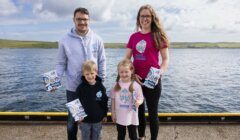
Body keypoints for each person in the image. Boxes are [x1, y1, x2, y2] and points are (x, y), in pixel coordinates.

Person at [56, 7, 106, 140]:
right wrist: (56, 79)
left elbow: (102, 61)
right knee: (73, 121)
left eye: (85, 19)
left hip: (93, 87)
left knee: (93, 118)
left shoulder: (97, 39)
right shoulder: (64, 40)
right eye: (79, 19)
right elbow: (61, 63)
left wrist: (102, 81)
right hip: (73, 89)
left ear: (89, 20)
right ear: (74, 20)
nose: (82, 22)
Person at [125, 4, 169, 140]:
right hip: (137, 80)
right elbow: (126, 59)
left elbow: (166, 59)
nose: (145, 18)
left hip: (153, 81)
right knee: (139, 111)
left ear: (152, 18)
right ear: (138, 19)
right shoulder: (133, 37)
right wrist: (132, 74)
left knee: (153, 113)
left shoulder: (158, 36)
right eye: (142, 16)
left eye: (147, 16)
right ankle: (142, 137)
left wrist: (158, 73)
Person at [110, 59, 144, 140]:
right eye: (121, 72)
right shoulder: (115, 85)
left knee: (133, 135)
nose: (124, 74)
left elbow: (141, 98)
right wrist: (113, 113)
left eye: (126, 72)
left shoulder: (136, 85)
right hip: (119, 115)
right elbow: (113, 100)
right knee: (121, 135)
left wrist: (138, 102)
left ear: (131, 71)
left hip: (132, 115)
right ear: (118, 72)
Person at [76, 60, 108, 140]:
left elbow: (104, 101)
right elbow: (76, 102)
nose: (90, 76)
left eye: (92, 73)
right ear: (83, 74)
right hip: (84, 120)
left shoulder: (101, 87)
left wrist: (105, 114)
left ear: (96, 72)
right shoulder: (80, 88)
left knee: (96, 137)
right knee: (85, 137)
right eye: (87, 74)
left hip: (97, 119)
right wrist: (78, 116)